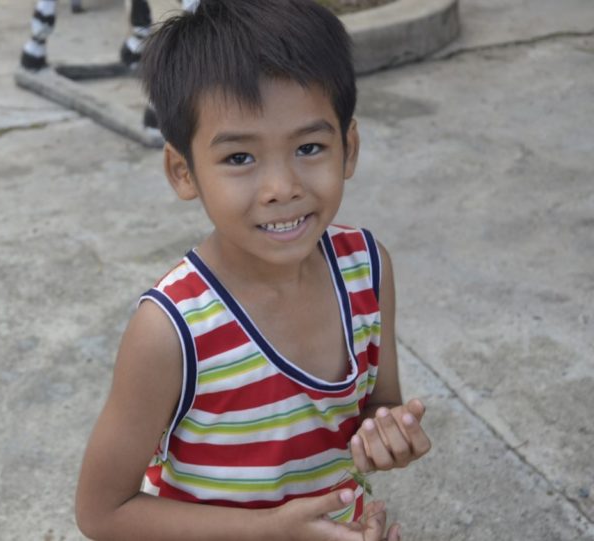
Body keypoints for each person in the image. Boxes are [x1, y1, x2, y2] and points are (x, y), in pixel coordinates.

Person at [75, 1, 431, 539]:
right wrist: (271, 531)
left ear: (348, 148)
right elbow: (104, 512)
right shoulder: (171, 331)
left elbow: (375, 408)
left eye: (309, 147)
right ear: (183, 171)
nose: (281, 188)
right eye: (240, 158)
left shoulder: (366, 270)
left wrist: (387, 435)